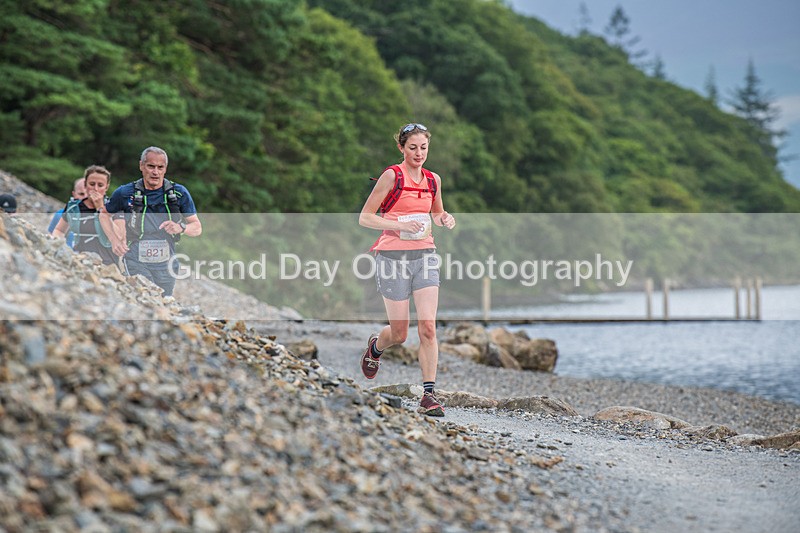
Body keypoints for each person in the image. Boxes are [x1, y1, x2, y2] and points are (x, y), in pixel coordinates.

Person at [358, 123, 456, 417]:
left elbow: (436, 212)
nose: (419, 153)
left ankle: (428, 395)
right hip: (391, 257)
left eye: (423, 147)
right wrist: (399, 225)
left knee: (428, 327)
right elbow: (365, 218)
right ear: (401, 148)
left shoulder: (433, 179)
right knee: (400, 333)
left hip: (425, 255)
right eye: (412, 147)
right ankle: (376, 347)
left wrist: (444, 219)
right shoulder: (392, 176)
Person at [99, 146, 201, 297]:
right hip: (135, 257)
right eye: (151, 166)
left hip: (167, 262)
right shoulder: (125, 192)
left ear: (165, 169)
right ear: (141, 166)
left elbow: (197, 227)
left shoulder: (179, 193)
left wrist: (180, 227)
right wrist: (114, 240)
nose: (155, 172)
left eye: (160, 167)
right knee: (143, 296)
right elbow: (104, 214)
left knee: (163, 302)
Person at [51, 165, 118, 265]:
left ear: (106, 187)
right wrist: (61, 245)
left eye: (100, 185)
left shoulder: (115, 207)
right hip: (79, 260)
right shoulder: (73, 207)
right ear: (85, 184)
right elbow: (59, 230)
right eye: (91, 184)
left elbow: (119, 236)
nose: (95, 189)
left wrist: (100, 208)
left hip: (107, 265)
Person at [48, 176, 88, 248]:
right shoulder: (60, 215)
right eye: (81, 194)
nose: (85, 198)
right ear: (74, 194)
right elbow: (51, 241)